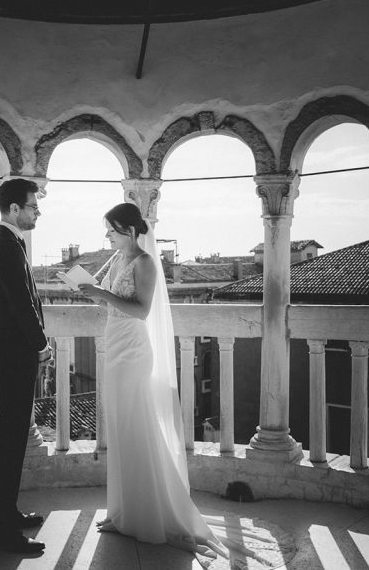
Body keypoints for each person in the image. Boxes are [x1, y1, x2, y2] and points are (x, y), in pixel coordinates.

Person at [78, 203, 226, 558]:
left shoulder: (145, 263)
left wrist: (101, 295)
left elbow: (141, 310)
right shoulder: (115, 262)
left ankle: (148, 515)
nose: (108, 237)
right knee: (120, 430)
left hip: (133, 352)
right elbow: (115, 305)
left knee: (136, 428)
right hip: (115, 347)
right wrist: (92, 293)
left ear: (129, 230)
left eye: (112, 231)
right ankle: (123, 512)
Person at [0, 178, 53, 554]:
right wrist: (42, 346)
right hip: (14, 358)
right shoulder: (6, 247)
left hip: (9, 356)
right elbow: (22, 305)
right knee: (9, 446)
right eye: (32, 205)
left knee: (13, 442)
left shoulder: (6, 242)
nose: (37, 211)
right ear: (13, 209)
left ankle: (8, 514)